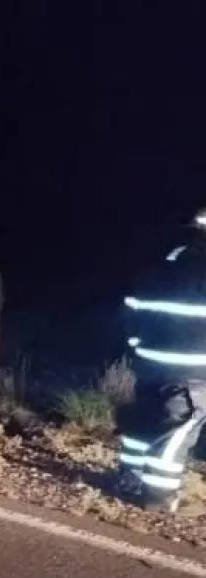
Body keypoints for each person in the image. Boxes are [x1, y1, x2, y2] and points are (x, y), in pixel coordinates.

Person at [117, 208, 206, 512]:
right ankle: (160, 498)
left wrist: (139, 350)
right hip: (193, 373)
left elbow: (130, 314)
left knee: (146, 423)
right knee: (177, 432)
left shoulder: (159, 269)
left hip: (149, 366)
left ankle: (128, 479)